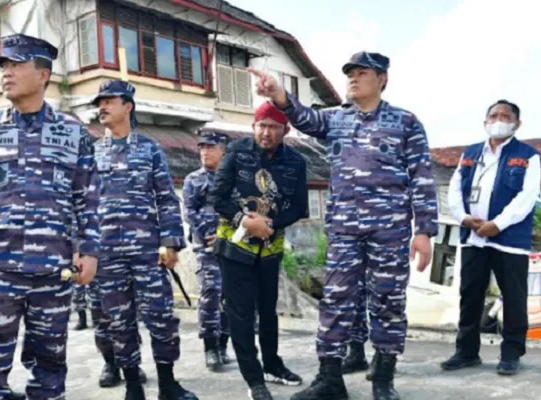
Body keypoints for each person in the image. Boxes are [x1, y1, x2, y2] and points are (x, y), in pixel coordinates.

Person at [249, 51, 439, 400]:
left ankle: (383, 378)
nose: (352, 78)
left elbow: (422, 179)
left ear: (382, 79)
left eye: (361, 72)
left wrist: (424, 231)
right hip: (345, 230)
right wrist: (277, 93)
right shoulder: (337, 120)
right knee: (336, 299)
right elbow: (304, 117)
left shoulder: (405, 122)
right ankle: (330, 379)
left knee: (388, 301)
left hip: (390, 230)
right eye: (350, 73)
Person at [0, 33, 100, 399]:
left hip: (53, 273)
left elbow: (88, 199)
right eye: (4, 66)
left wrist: (89, 249)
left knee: (49, 371)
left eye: (16, 64)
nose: (6, 73)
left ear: (43, 74)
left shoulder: (74, 132)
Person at [91, 79, 195, 400]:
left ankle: (168, 384)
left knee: (161, 316)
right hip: (107, 256)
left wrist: (171, 242)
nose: (102, 107)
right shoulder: (92, 154)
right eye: (100, 102)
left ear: (128, 107)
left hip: (148, 252)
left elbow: (165, 198)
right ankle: (133, 386)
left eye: (109, 101)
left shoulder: (149, 149)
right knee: (119, 323)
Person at [207, 102, 308, 400]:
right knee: (240, 314)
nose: (266, 132)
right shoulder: (236, 152)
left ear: (285, 130)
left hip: (271, 249)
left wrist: (271, 224)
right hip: (235, 247)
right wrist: (245, 221)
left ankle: (272, 366)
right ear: (253, 127)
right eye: (261, 125)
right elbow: (218, 197)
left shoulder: (296, 162)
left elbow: (300, 206)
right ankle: (254, 380)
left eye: (273, 127)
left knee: (268, 311)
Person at [442, 99, 541, 376]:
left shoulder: (528, 156)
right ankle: (466, 352)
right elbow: (454, 189)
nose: (499, 120)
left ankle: (511, 354)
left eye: (505, 116)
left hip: (509, 240)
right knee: (470, 294)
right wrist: (463, 218)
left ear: (516, 123)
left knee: (513, 298)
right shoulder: (471, 153)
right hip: (473, 237)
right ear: (485, 121)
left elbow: (527, 197)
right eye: (493, 115)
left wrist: (497, 224)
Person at [182, 130, 232, 372]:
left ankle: (224, 344)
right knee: (211, 293)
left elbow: (244, 209)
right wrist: (208, 233)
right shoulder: (194, 179)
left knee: (231, 297)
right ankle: (210, 347)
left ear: (224, 150)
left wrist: (227, 234)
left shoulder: (234, 178)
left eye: (211, 147)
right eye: (202, 147)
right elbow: (189, 211)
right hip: (207, 246)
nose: (204, 151)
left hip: (234, 246)